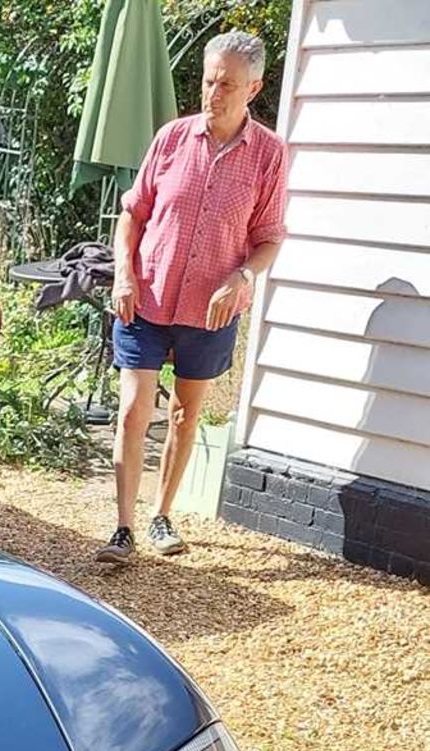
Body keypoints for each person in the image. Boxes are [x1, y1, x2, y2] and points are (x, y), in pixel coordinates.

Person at [99, 30, 288, 566]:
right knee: (134, 409)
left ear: (254, 87)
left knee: (185, 415)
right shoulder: (171, 138)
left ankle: (162, 515)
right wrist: (123, 276)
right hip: (147, 298)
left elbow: (270, 236)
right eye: (209, 80)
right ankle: (123, 528)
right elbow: (132, 214)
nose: (214, 93)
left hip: (211, 310)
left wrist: (242, 276)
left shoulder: (269, 156)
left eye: (227, 84)